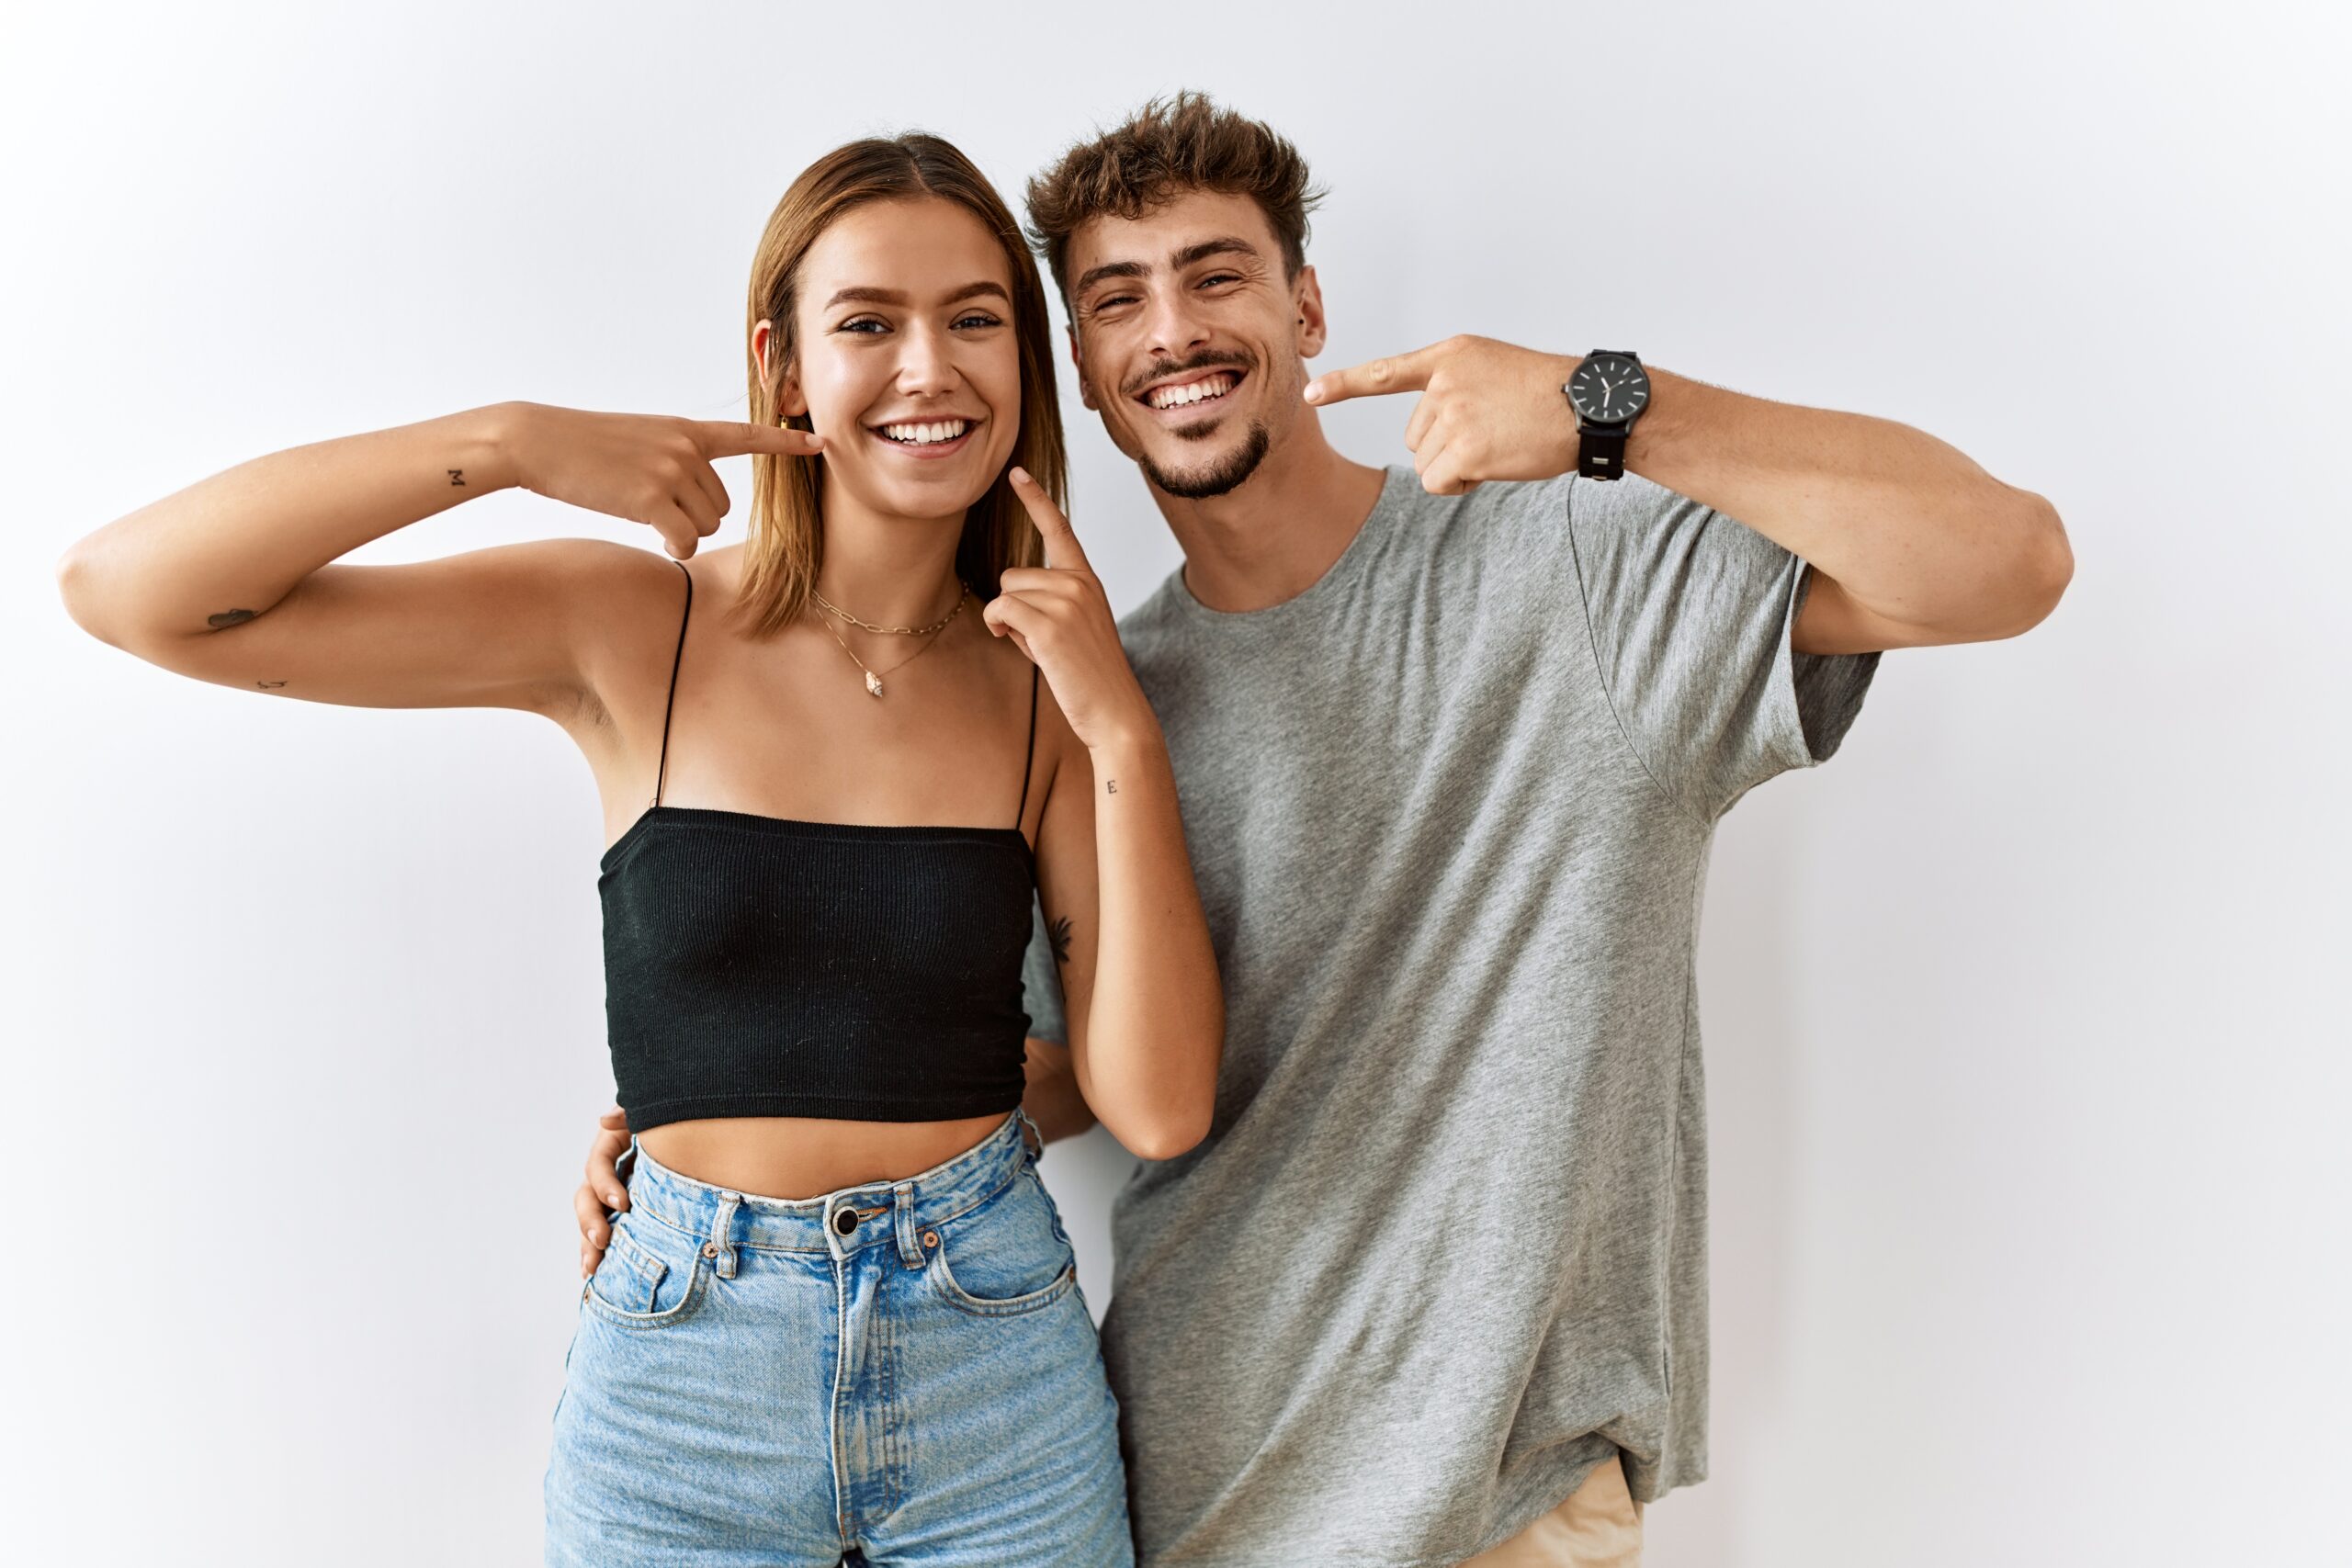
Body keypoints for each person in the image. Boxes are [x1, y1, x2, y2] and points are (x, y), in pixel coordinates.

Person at [575, 95, 2075, 1567]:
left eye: (1217, 275)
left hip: (1504, 1495)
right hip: (1178, 1480)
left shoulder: (1572, 575)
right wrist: (718, 1149)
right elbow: (1065, 1076)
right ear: (1082, 378)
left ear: (1305, 309)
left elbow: (2005, 564)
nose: (1172, 331)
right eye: (1115, 302)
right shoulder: (1084, 690)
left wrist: (1606, 405)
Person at [57, 132, 1223, 1566]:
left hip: (993, 1369)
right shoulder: (636, 630)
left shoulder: (1052, 681)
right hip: (683, 1387)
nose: (931, 369)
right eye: (869, 322)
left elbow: (1153, 1105)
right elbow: (133, 596)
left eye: (975, 318)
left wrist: (1123, 735)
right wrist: (512, 443)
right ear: (783, 365)